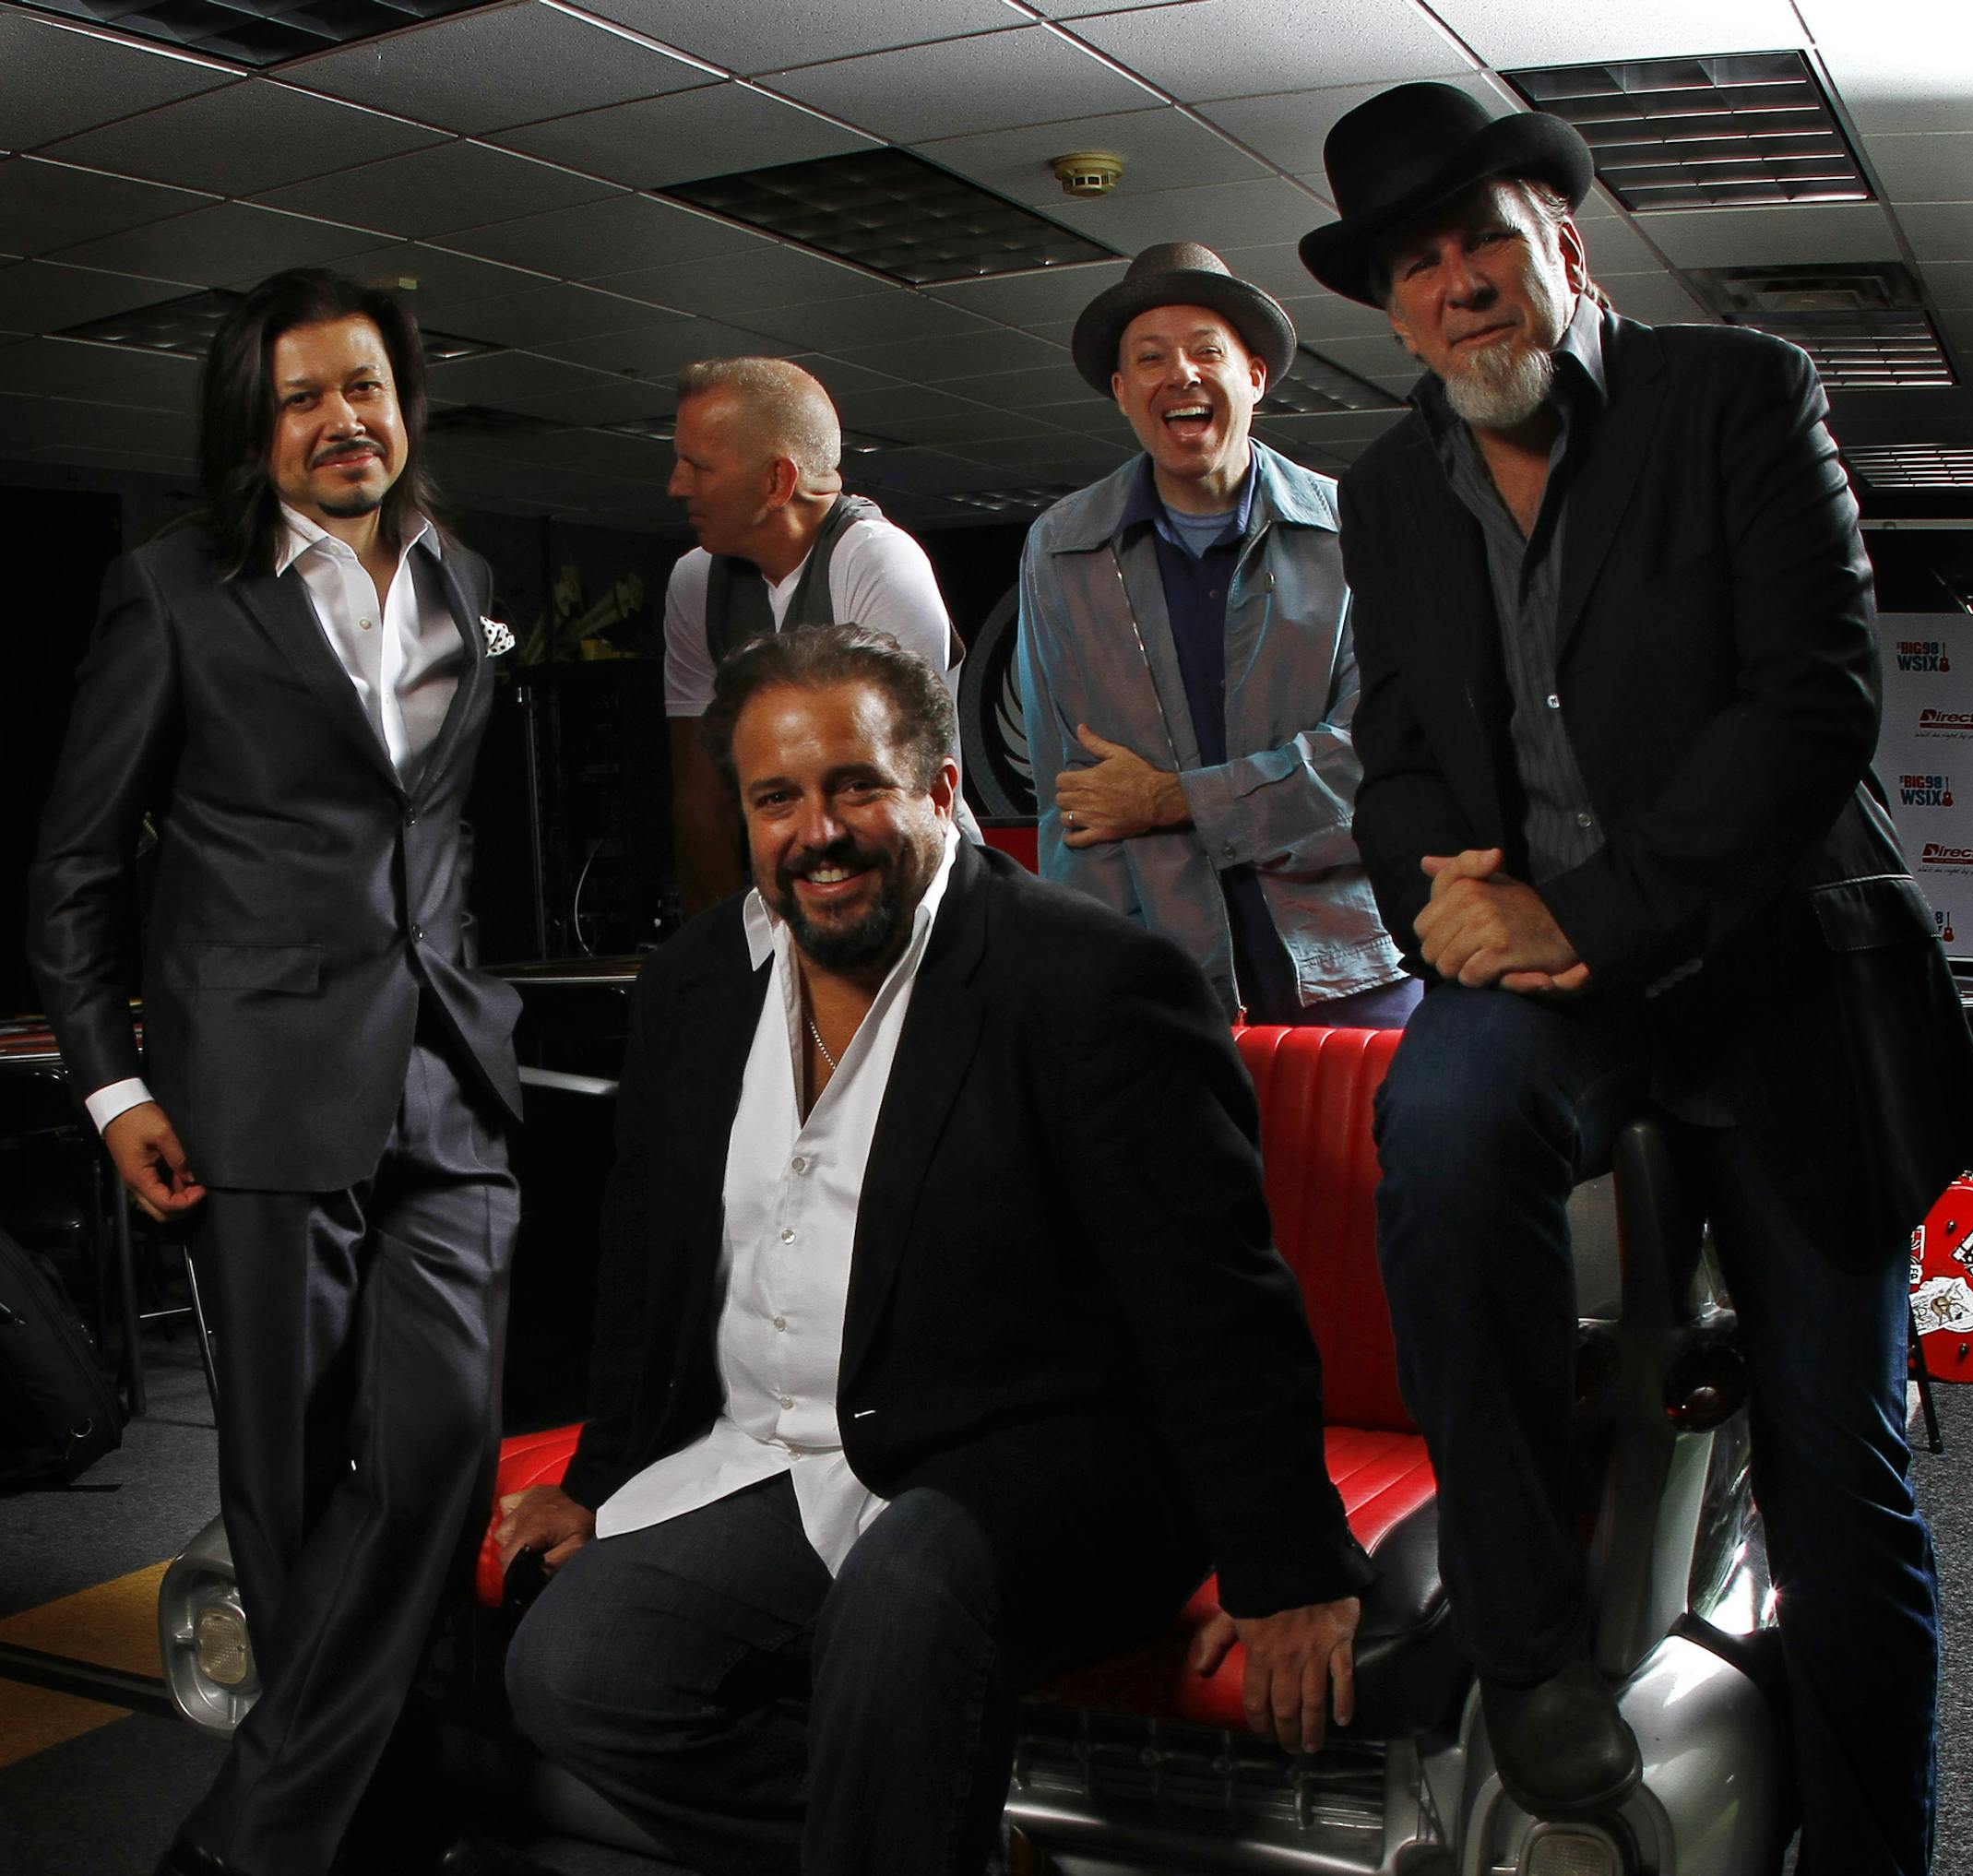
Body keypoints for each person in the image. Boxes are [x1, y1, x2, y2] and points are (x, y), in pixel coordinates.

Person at [1299, 81, 1973, 1870]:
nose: (1458, 284)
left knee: (1839, 1488)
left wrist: (1584, 917)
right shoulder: (1388, 489)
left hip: (1771, 988)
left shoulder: (1734, 396)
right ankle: (1522, 1646)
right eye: (1417, 263)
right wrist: (1440, 898)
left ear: (1565, 247)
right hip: (1541, 1001)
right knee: (1436, 1133)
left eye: (1484, 240)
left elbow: (1816, 703)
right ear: (1391, 306)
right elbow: (1397, 757)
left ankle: (1872, 1849)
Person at [496, 623, 1375, 1876]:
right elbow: (646, 1260)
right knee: (576, 1667)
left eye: (857, 784)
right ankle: (949, 1844)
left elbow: (1215, 1297)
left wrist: (1286, 1560)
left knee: (907, 1581)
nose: (821, 830)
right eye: (778, 798)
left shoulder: (1089, 981)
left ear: (943, 792)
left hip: (1049, 1462)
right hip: (785, 1454)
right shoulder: (698, 984)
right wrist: (600, 1474)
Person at [29, 268, 526, 1876]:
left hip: (448, 1080)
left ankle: (250, 1840)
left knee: (441, 1444)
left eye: (363, 385)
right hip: (249, 1097)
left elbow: (426, 838)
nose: (340, 418)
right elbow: (76, 867)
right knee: (291, 1490)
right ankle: (374, 1830)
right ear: (255, 425)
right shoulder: (174, 591)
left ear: (405, 400)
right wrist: (114, 1085)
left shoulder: (464, 578)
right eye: (303, 394)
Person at [1016, 242, 1411, 1026]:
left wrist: (1170, 800)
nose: (1181, 375)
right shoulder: (1061, 546)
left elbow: (1378, 763)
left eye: (1207, 351)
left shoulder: (1355, 528)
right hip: (1154, 977)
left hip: (1351, 961)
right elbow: (1079, 801)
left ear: (1255, 376)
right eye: (1151, 359)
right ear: (1124, 392)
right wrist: (1095, 970)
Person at [661, 355, 976, 913]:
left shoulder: (876, 560)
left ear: (777, 480)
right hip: (795, 884)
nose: (676, 486)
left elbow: (897, 794)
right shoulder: (695, 580)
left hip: (914, 885)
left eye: (698, 467)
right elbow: (702, 797)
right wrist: (721, 955)